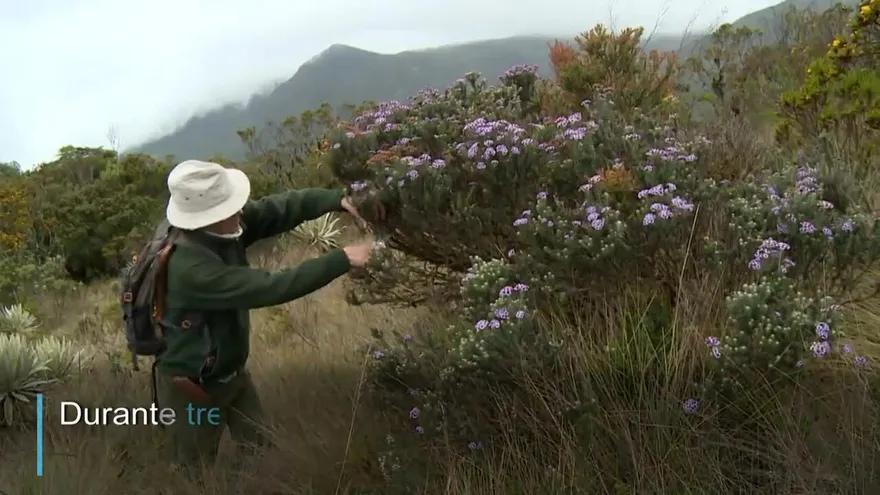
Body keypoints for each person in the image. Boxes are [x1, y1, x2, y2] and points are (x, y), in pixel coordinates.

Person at [154, 159, 380, 469]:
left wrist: (337, 200)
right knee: (195, 469)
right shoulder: (190, 268)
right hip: (193, 389)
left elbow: (278, 209)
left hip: (232, 374)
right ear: (207, 219)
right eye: (230, 207)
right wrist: (343, 258)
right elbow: (272, 287)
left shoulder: (223, 226)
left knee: (261, 450)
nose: (240, 211)